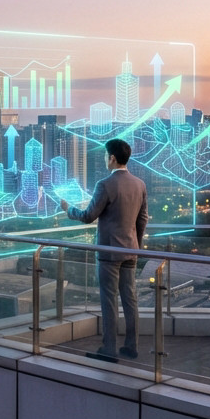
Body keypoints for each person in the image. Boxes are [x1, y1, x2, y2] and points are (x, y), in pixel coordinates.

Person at [60, 138, 148, 362]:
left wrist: (68, 209)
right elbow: (142, 219)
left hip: (109, 252)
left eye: (105, 156)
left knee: (109, 300)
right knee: (130, 299)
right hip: (131, 251)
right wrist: (136, 246)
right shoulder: (139, 184)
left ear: (112, 158)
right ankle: (131, 346)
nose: (104, 160)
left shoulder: (105, 185)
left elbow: (88, 216)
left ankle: (109, 349)